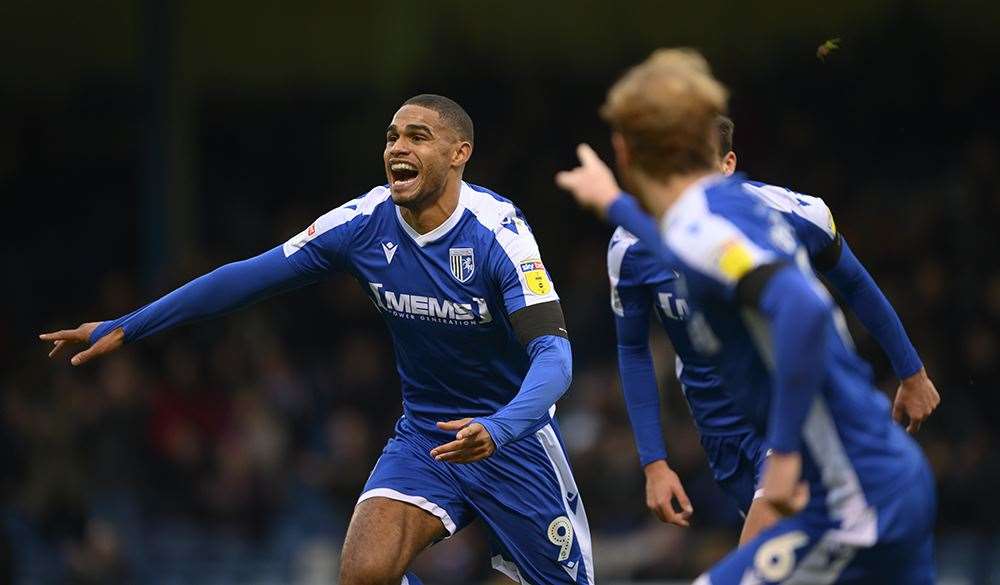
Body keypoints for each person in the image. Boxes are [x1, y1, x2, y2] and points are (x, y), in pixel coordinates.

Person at [41, 94, 593, 585]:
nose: (397, 147)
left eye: (417, 137)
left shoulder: (499, 233)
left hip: (514, 440)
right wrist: (129, 324)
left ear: (459, 154)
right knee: (363, 574)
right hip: (427, 433)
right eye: (392, 136)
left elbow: (555, 357)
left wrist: (499, 428)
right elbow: (245, 278)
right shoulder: (362, 223)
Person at [557, 49, 935, 583]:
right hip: (879, 475)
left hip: (853, 497)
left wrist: (781, 456)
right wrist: (614, 203)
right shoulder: (729, 212)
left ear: (625, 150)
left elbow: (799, 308)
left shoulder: (705, 226)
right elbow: (694, 252)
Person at [608, 115, 939, 543]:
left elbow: (853, 285)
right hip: (720, 429)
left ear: (728, 165)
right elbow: (632, 348)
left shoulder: (793, 215)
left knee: (761, 557)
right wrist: (654, 461)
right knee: (803, 556)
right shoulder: (632, 246)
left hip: (796, 412)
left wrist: (911, 372)